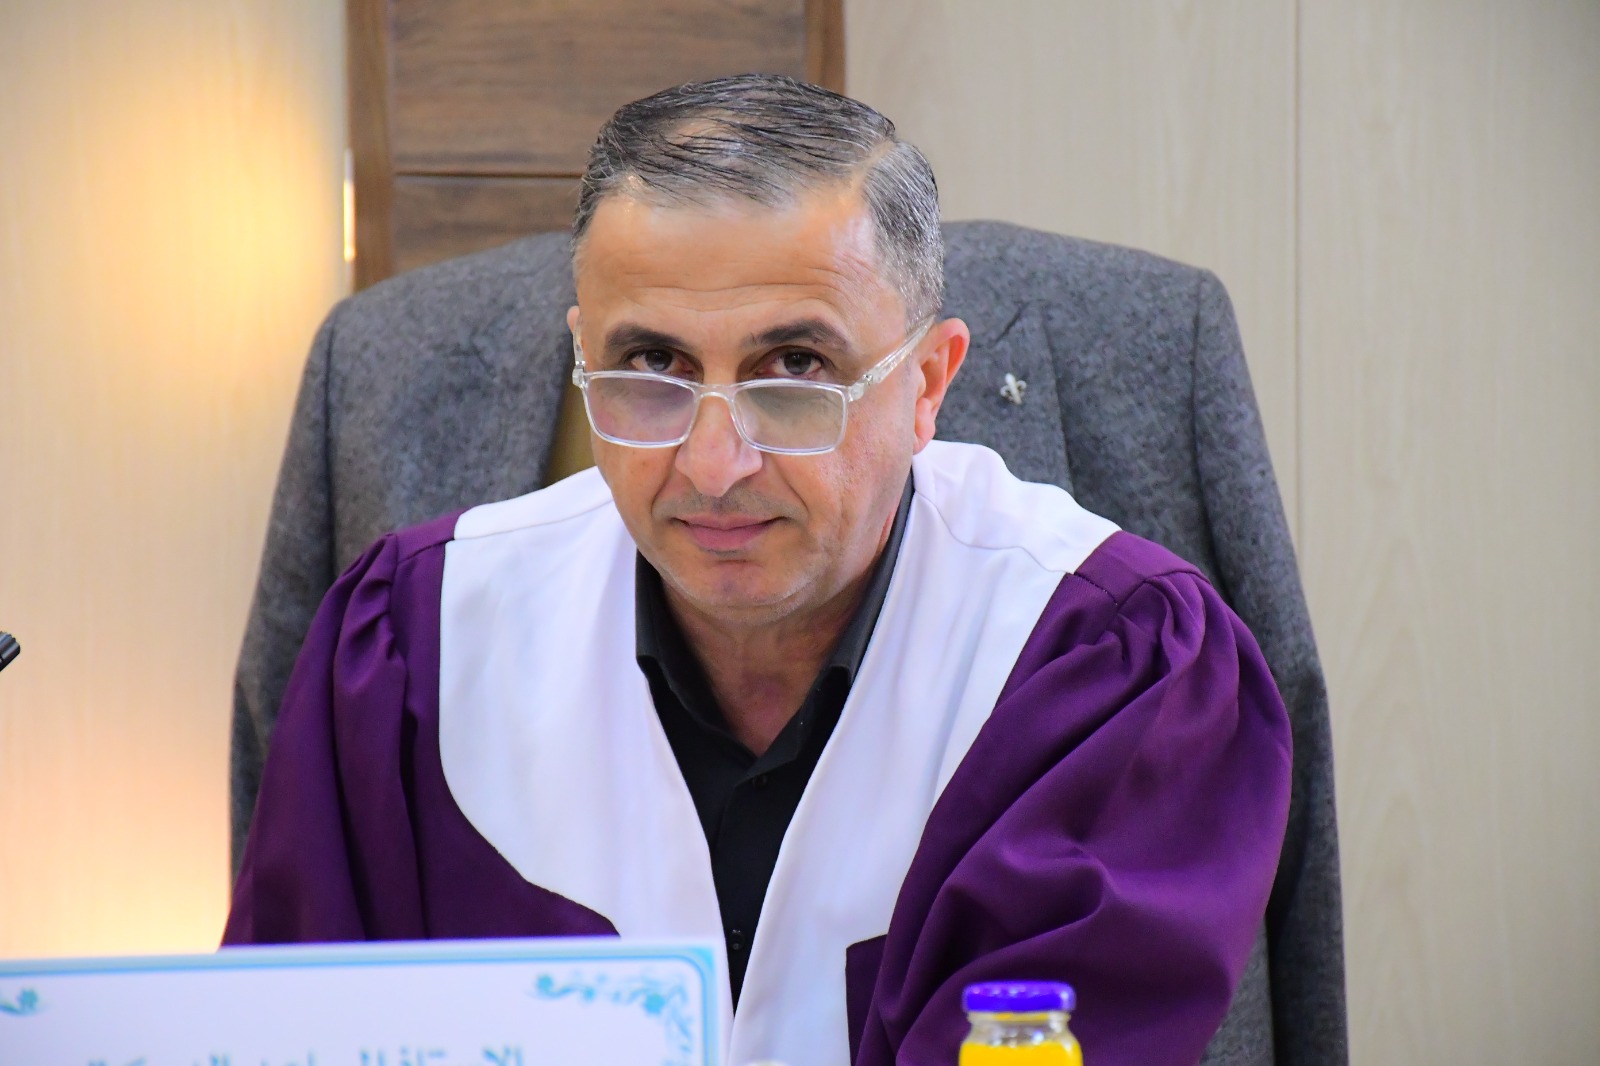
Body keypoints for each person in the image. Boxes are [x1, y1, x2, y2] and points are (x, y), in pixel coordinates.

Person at [225, 75, 1292, 1066]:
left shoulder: (1104, 666)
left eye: (795, 369)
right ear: (583, 354)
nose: (713, 464)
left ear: (928, 382)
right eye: (652, 365)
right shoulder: (419, 649)